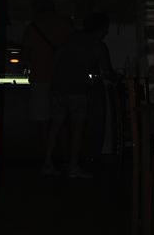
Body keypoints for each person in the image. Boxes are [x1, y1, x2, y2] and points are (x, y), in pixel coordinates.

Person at [44, 11, 116, 178]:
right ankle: (73, 167)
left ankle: (47, 163)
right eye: (106, 29)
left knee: (56, 124)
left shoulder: (73, 38)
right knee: (78, 127)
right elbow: (108, 73)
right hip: (77, 88)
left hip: (58, 85)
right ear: (100, 28)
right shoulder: (98, 45)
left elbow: (55, 58)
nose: (107, 32)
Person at [19, 0, 74, 153]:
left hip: (40, 77)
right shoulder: (66, 24)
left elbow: (24, 56)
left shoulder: (32, 27)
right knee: (61, 120)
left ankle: (47, 157)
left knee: (43, 120)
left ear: (36, 10)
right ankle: (65, 156)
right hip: (63, 78)